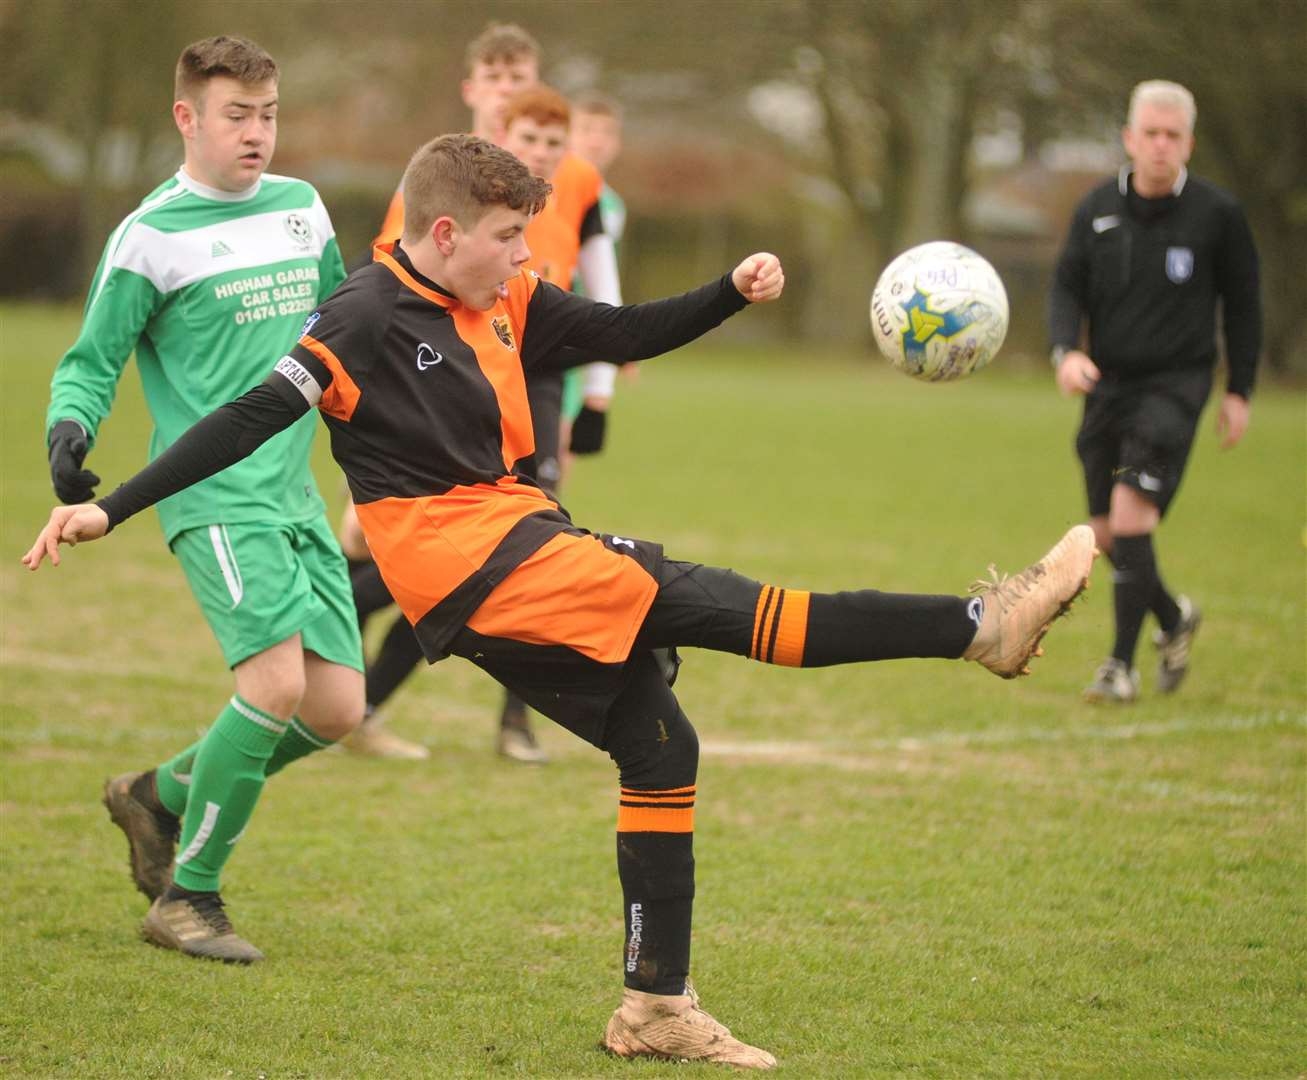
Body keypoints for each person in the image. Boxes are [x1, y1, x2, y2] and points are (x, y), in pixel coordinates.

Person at [26, 133, 1095, 1069]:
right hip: (480, 566)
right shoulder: (358, 316)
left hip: (511, 552)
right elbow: (247, 415)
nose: (525, 256)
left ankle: (654, 1007)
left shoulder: (505, 297)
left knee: (659, 745)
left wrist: (727, 291)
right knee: (727, 606)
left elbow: (614, 333)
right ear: (442, 233)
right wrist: (110, 508)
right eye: (506, 236)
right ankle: (981, 627)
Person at [43, 35, 365, 963]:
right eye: (237, 116)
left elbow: (339, 326)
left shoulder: (303, 208)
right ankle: (188, 899)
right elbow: (90, 361)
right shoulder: (150, 234)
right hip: (211, 495)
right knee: (271, 686)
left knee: (336, 708)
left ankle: (159, 795)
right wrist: (69, 433)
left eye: (268, 114)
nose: (257, 133)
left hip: (295, 494)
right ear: (187, 117)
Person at [347, 26, 622, 762]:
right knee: (472, 558)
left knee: (536, 541)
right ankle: (348, 642)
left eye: (521, 77)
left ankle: (512, 720)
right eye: (495, 80)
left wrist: (594, 396)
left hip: (540, 376)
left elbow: (603, 280)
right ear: (474, 92)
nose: (509, 92)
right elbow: (385, 290)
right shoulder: (443, 175)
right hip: (457, 370)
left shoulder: (572, 176)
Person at [1048, 79, 1261, 704]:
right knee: (1107, 535)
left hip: (1177, 387)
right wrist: (1066, 353)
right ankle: (1173, 618)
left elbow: (1244, 308)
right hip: (1108, 385)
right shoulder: (1096, 211)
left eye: (1173, 136)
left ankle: (1119, 668)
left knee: (1129, 515)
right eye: (1151, 134)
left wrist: (1239, 390)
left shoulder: (1218, 215)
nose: (1162, 146)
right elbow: (1065, 290)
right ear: (1129, 139)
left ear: (1188, 142)